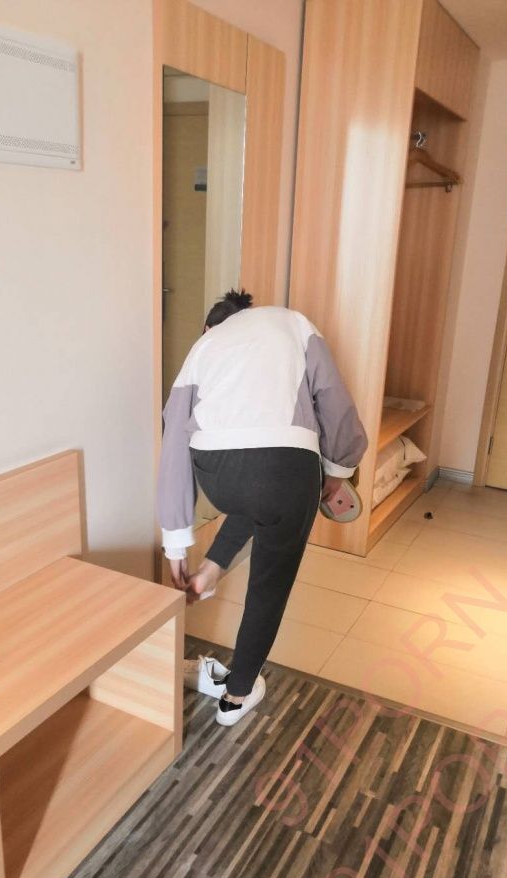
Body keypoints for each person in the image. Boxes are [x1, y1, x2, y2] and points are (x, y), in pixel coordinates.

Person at [157, 289, 367, 726]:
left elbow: (173, 436)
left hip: (215, 471)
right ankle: (235, 697)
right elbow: (334, 400)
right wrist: (337, 469)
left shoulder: (203, 347)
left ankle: (209, 571)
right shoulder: (293, 323)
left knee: (254, 498)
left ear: (209, 327)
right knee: (269, 582)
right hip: (286, 466)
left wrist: (175, 541)